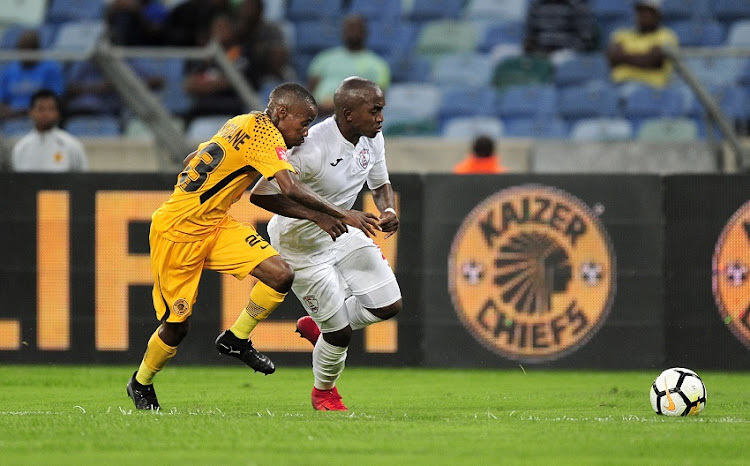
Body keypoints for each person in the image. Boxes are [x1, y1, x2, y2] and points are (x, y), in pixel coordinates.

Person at [125, 82, 380, 410]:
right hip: (178, 232)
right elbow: (288, 188)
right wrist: (343, 212)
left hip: (215, 225)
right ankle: (141, 382)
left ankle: (235, 338)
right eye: (303, 123)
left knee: (281, 274)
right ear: (281, 113)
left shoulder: (242, 121)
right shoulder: (268, 136)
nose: (305, 133)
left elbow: (194, 156)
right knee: (176, 328)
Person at [250, 77, 401, 411]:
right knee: (340, 335)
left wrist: (387, 208)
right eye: (374, 111)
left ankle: (321, 328)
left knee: (388, 305)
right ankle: (324, 392)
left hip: (343, 232)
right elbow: (260, 194)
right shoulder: (311, 148)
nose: (380, 118)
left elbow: (380, 182)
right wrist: (318, 216)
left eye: (381, 111)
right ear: (348, 113)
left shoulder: (371, 138)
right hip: (300, 245)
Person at [307, 14, 390, 118]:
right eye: (349, 28)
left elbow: (377, 100)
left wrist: (338, 107)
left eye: (356, 28)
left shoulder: (377, 64)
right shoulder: (324, 58)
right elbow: (310, 92)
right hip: (320, 115)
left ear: (365, 32)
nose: (352, 32)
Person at [10, 89, 88, 172]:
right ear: (31, 112)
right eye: (41, 109)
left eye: (51, 109)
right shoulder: (21, 147)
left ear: (58, 113)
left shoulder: (71, 145)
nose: (46, 114)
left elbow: (83, 179)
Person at [606, 0, 678, 89]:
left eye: (647, 11)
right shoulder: (621, 34)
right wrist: (644, 56)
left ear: (657, 14)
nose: (643, 15)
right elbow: (613, 58)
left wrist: (624, 57)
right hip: (619, 86)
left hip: (653, 90)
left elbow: (653, 61)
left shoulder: (666, 35)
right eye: (640, 11)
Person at [0, 30, 64, 120]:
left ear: (37, 49)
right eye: (22, 48)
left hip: (40, 119)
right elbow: (2, 100)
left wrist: (33, 111)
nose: (25, 53)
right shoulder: (9, 70)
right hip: (13, 117)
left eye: (29, 48)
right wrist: (7, 111)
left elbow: (56, 99)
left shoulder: (51, 69)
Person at [523, 0, 597, 59]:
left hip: (567, 54)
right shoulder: (536, 4)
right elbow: (530, 36)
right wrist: (535, 51)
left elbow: (586, 40)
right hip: (540, 53)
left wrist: (560, 52)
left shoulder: (577, 5)